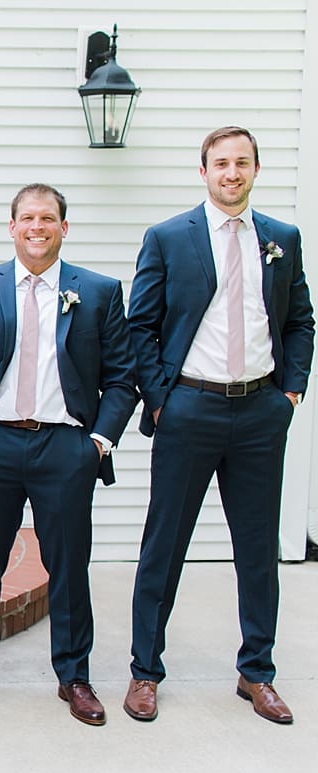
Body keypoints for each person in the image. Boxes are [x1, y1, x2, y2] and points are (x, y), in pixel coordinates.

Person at [125, 126, 314, 724]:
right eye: (220, 163)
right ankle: (144, 671)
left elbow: (301, 319)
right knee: (165, 545)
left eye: (241, 163)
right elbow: (139, 327)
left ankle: (256, 671)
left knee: (257, 549)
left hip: (261, 412)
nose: (231, 173)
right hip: (190, 411)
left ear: (256, 169)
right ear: (202, 170)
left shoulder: (282, 238)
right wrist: (162, 402)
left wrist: (289, 392)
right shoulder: (168, 238)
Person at [0, 184, 138, 726]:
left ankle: (74, 676)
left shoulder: (98, 292)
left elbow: (123, 378)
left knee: (69, 566)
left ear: (63, 228)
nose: (37, 227)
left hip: (65, 446)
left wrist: (97, 442)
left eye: (47, 218)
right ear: (11, 226)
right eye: (27, 218)